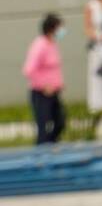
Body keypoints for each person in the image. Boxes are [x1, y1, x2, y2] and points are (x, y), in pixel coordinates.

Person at [23, 14, 66, 144]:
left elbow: (52, 68)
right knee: (44, 127)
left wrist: (59, 83)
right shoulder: (39, 45)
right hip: (41, 93)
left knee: (60, 122)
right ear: (52, 28)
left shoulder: (51, 44)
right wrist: (44, 85)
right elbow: (29, 70)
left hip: (54, 92)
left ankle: (51, 146)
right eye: (60, 27)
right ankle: (41, 155)